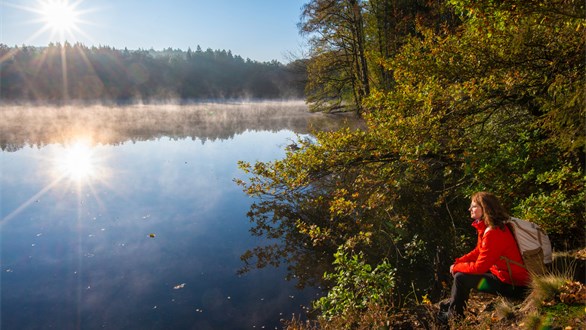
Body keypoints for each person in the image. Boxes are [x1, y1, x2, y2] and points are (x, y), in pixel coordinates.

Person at [438, 192, 530, 323]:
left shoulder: (493, 232)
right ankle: (452, 310)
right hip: (506, 277)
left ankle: (454, 318)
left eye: (474, 206)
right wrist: (460, 261)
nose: (470, 209)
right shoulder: (490, 227)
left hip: (516, 286)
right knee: (462, 275)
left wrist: (457, 267)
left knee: (461, 278)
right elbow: (479, 251)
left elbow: (480, 267)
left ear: (485, 208)